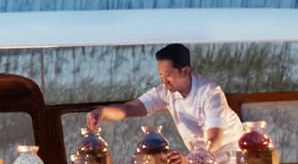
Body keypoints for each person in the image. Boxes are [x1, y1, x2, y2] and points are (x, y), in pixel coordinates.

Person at [86, 43, 241, 156]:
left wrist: (191, 160)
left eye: (168, 75)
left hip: (231, 154)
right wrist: (103, 112)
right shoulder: (166, 92)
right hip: (200, 157)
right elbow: (131, 108)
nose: (164, 80)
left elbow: (214, 140)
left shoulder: (210, 93)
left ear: (185, 71)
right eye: (161, 75)